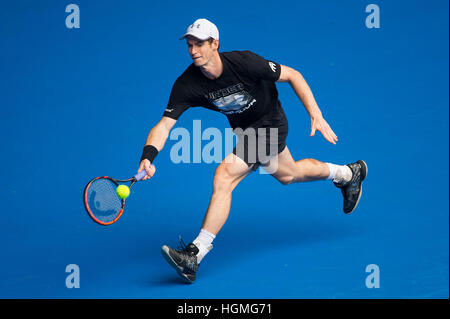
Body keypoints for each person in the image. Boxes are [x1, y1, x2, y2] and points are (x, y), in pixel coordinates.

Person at [137, 18, 368, 283]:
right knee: (288, 175)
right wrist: (148, 157)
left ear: (215, 44)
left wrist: (316, 114)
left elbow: (293, 75)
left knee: (224, 176)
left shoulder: (244, 62)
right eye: (189, 45)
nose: (193, 50)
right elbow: (164, 126)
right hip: (246, 132)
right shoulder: (187, 84)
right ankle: (349, 174)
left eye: (199, 44)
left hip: (271, 124)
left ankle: (195, 254)